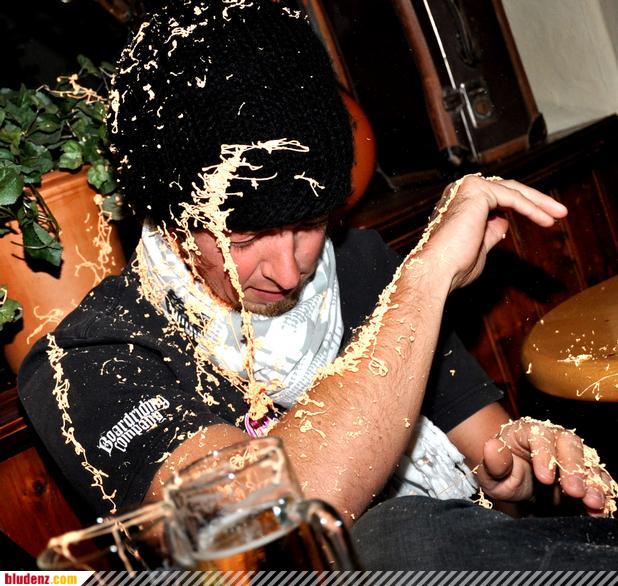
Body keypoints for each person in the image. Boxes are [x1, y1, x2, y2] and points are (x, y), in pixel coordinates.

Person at [18, 0, 618, 569]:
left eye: (309, 224)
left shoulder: (356, 264)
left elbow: (491, 467)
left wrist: (516, 468)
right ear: (172, 216)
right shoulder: (89, 359)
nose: (288, 271)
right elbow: (273, 524)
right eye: (244, 238)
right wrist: (426, 276)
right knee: (393, 533)